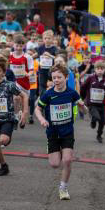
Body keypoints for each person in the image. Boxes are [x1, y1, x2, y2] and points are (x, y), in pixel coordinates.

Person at [35, 63, 87, 200]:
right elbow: (38, 109)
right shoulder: (48, 94)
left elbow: (83, 110)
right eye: (54, 78)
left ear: (66, 77)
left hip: (67, 131)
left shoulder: (72, 93)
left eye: (59, 77)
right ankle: (52, 148)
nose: (56, 80)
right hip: (52, 132)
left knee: (68, 160)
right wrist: (41, 119)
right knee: (54, 164)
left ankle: (63, 188)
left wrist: (83, 107)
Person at [0, 56, 28, 176]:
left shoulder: (9, 85)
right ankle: (4, 166)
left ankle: (8, 135)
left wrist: (24, 113)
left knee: (3, 140)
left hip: (8, 119)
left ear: (4, 73)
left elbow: (24, 95)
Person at [80, 60, 105, 143]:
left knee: (103, 121)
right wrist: (83, 97)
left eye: (102, 69)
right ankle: (93, 120)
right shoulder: (90, 78)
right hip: (92, 104)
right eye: (98, 68)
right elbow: (83, 87)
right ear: (95, 69)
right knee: (97, 117)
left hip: (101, 104)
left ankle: (99, 135)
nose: (100, 70)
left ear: (104, 70)